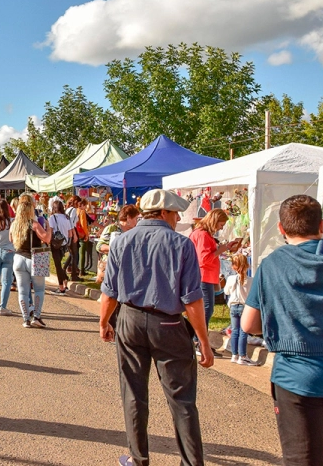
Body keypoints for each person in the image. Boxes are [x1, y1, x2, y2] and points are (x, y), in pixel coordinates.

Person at [99, 189, 213, 466]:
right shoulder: (181, 244)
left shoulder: (121, 242)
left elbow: (109, 292)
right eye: (174, 213)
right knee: (182, 399)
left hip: (129, 319)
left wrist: (104, 322)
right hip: (169, 323)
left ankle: (138, 459)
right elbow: (192, 300)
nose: (176, 219)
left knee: (133, 392)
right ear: (163, 213)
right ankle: (191, 463)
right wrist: (203, 341)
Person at [241, 195, 323, 466]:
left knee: (302, 458)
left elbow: (248, 324)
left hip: (295, 377)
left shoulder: (272, 265)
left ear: (281, 228)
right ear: (321, 225)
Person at [189, 209, 235, 341]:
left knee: (204, 309)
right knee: (206, 309)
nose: (221, 228)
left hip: (204, 276)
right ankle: (198, 340)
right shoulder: (203, 235)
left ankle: (198, 339)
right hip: (204, 276)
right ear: (214, 221)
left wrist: (223, 248)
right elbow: (204, 259)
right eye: (221, 225)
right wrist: (221, 249)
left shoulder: (201, 234)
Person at [10, 194, 52, 328]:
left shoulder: (14, 224)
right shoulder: (34, 224)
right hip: (35, 257)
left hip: (18, 259)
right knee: (39, 289)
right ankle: (37, 316)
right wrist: (48, 227)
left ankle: (25, 318)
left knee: (22, 291)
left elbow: (11, 240)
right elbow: (46, 238)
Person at [223, 253, 256, 366]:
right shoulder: (251, 280)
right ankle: (243, 356)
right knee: (243, 332)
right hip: (244, 306)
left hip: (233, 306)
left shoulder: (231, 278)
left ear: (233, 266)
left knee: (235, 331)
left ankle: (234, 355)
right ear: (247, 265)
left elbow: (226, 292)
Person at [96, 205, 141, 285]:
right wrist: (116, 249)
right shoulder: (113, 228)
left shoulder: (135, 231)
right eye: (136, 219)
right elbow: (99, 246)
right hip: (112, 267)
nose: (137, 222)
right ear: (128, 218)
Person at [47, 200, 74, 295]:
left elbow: (50, 232)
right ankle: (65, 283)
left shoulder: (52, 218)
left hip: (55, 244)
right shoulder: (67, 218)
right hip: (65, 243)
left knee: (58, 265)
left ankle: (61, 287)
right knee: (60, 265)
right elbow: (70, 233)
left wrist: (47, 241)